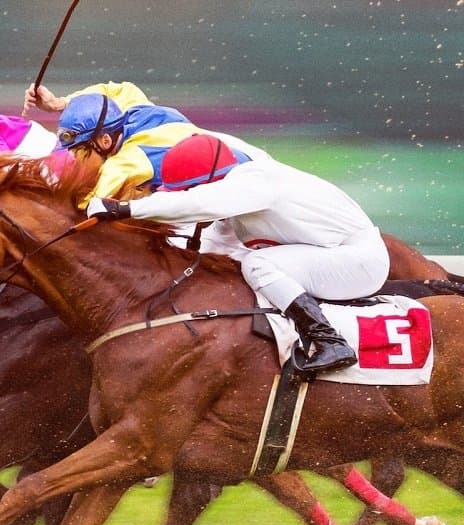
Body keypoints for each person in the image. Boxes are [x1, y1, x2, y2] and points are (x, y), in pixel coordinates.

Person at [85, 133, 390, 373]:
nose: (186, 198)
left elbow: (196, 204)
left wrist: (124, 209)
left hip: (358, 263)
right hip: (336, 258)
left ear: (209, 183)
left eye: (189, 190)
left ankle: (329, 341)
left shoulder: (254, 181)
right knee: (241, 264)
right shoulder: (238, 203)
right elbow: (210, 246)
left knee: (259, 264)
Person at [24, 81, 268, 204]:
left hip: (247, 185)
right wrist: (61, 104)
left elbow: (87, 203)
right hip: (238, 153)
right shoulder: (129, 104)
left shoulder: (130, 162)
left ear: (105, 140)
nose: (75, 160)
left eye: (79, 152)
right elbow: (114, 89)